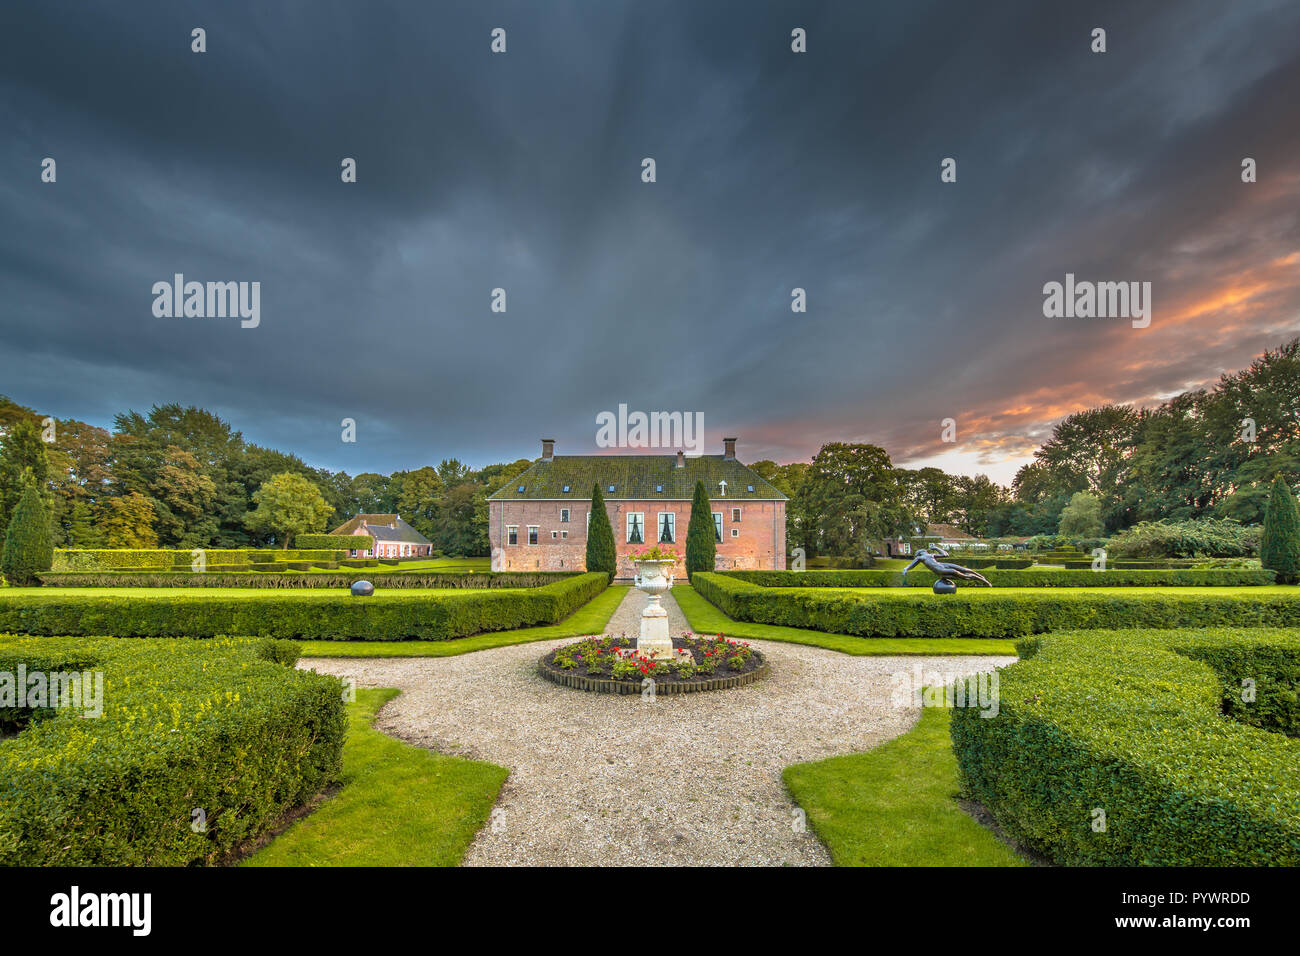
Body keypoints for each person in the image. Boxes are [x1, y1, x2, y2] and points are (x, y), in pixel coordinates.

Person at [901, 547, 992, 587]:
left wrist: (936, 548)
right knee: (964, 576)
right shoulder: (921, 557)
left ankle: (981, 577)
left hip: (942, 565)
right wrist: (906, 569)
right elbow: (912, 564)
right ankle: (984, 581)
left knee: (963, 570)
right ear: (922, 552)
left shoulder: (931, 555)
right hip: (940, 569)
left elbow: (945, 554)